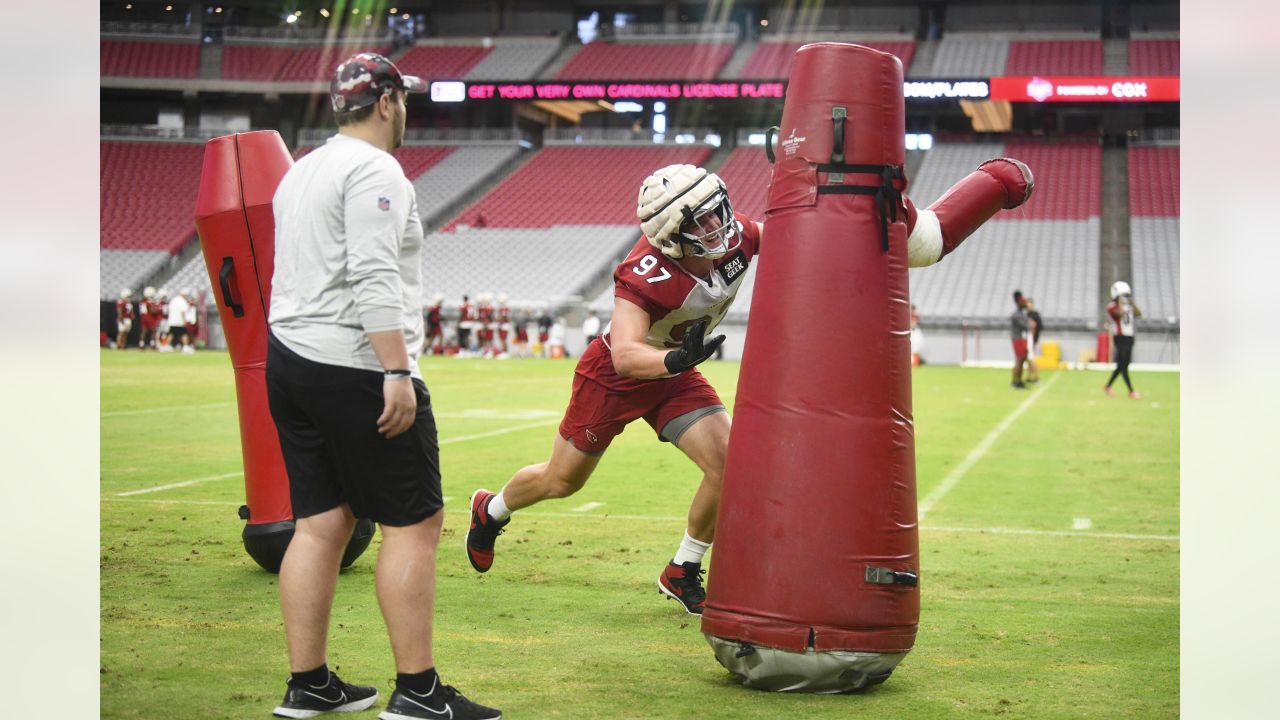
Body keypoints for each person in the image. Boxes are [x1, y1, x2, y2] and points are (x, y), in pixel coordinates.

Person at [264, 52, 499, 720]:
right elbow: (373, 274)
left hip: (289, 355)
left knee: (321, 524)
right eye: (406, 102)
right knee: (415, 522)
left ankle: (307, 683)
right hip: (355, 362)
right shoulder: (375, 168)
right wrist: (396, 369)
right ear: (388, 101)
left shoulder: (301, 169)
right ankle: (418, 692)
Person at [465, 164, 754, 616]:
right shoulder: (645, 273)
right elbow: (625, 354)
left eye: (717, 211)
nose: (718, 226)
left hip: (674, 371)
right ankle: (491, 509)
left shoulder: (738, 238)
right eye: (702, 221)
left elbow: (790, 233)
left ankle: (682, 569)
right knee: (562, 481)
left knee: (730, 461)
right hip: (618, 377)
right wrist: (675, 360)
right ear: (673, 233)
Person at [1104, 280, 1142, 399]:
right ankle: (1131, 391)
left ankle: (1107, 386)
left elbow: (1138, 313)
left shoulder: (1128, 304)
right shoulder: (1111, 306)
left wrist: (1132, 302)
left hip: (1129, 337)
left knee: (1123, 365)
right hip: (1120, 338)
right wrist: (1121, 302)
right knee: (1123, 365)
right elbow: (1119, 314)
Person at [1010, 290, 1029, 389]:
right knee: (1019, 360)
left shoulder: (1020, 313)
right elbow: (1026, 326)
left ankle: (1018, 380)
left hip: (1020, 339)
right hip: (1017, 339)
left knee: (1021, 360)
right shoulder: (1016, 315)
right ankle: (1015, 381)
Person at [166, 289, 192, 354]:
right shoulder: (182, 301)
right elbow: (183, 311)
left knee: (171, 333)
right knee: (184, 333)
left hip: (172, 320)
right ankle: (185, 347)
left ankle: (167, 346)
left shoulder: (173, 300)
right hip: (179, 321)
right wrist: (184, 320)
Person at [1024, 296, 1042, 383]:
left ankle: (1036, 377)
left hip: (1032, 340)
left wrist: (1035, 339)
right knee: (1028, 359)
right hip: (1026, 340)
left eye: (1030, 304)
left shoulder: (1036, 315)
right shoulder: (1025, 315)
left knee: (1031, 358)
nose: (1028, 306)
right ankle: (1029, 376)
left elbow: (1040, 327)